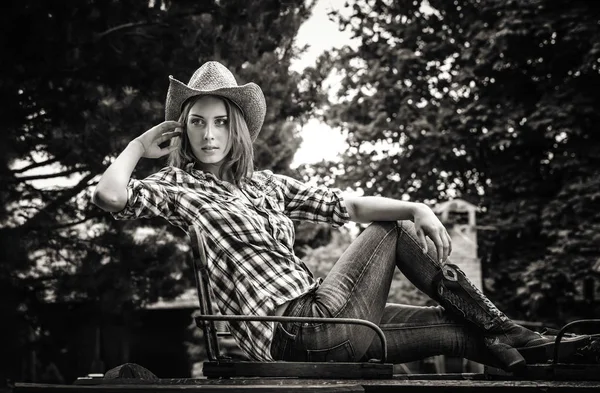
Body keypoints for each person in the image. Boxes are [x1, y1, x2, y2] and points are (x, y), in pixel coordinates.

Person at [92, 61, 589, 372]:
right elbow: (109, 197)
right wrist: (139, 146)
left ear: (237, 128)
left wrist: (419, 204)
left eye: (220, 121)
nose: (208, 133)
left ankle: (562, 353)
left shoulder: (267, 185)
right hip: (294, 331)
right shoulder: (180, 188)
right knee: (389, 230)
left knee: (459, 326)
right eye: (197, 122)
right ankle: (506, 329)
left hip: (331, 324)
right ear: (184, 131)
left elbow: (345, 205)